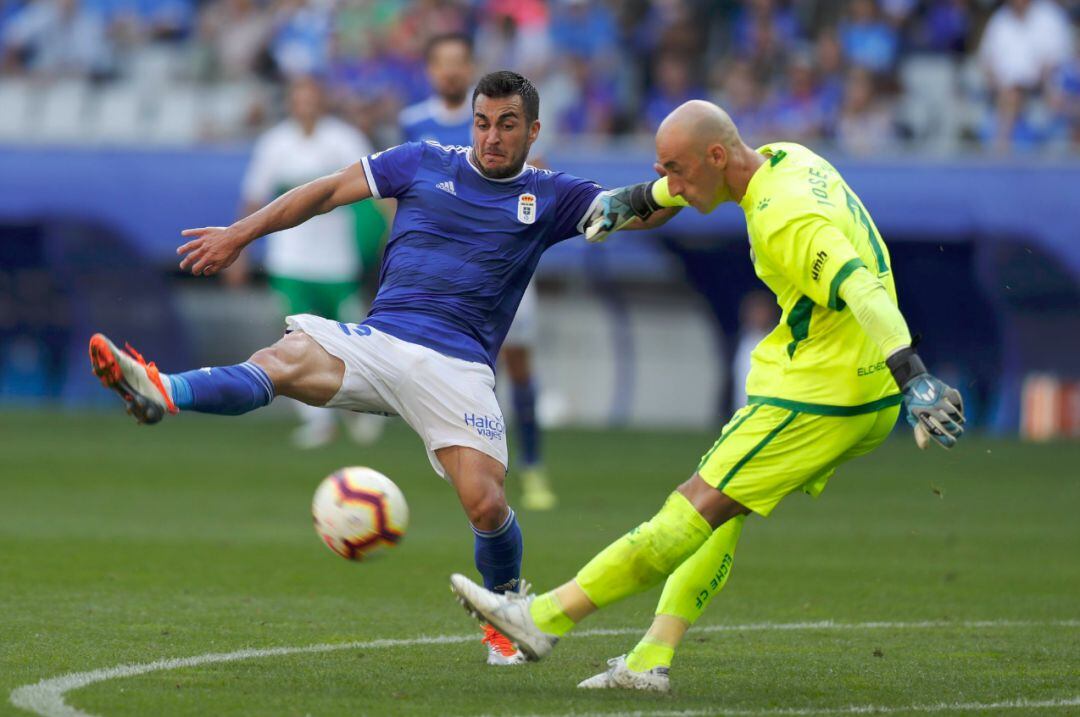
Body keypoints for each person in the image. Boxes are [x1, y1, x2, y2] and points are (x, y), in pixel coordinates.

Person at [87, 71, 679, 667]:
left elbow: (627, 211)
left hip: (458, 366)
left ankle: (507, 617)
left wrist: (666, 190)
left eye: (506, 125)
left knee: (486, 505)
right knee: (282, 359)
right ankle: (163, 389)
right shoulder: (420, 160)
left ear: (533, 130)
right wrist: (241, 233)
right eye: (482, 122)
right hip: (379, 339)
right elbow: (324, 192)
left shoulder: (552, 195)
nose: (491, 137)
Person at [449, 99, 965, 690]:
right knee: (718, 516)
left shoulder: (784, 216)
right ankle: (649, 660)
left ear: (716, 155)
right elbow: (689, 186)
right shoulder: (784, 159)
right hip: (845, 384)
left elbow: (865, 289)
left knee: (687, 511)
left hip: (824, 393)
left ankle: (540, 620)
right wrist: (637, 200)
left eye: (676, 168)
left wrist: (915, 376)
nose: (670, 182)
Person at [401, 33, 557, 511]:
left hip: (500, 266)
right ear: (430, 70)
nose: (450, 71)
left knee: (518, 365)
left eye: (458, 62)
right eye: (441, 63)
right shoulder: (413, 125)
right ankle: (470, 469)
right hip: (444, 272)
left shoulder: (504, 119)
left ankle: (531, 467)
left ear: (468, 67)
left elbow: (539, 177)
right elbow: (401, 193)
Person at [233, 75, 387, 449]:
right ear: (290, 102)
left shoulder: (343, 139)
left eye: (311, 97)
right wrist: (238, 249)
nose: (305, 105)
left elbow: (381, 184)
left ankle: (361, 408)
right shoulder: (275, 144)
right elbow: (253, 198)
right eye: (298, 98)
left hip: (336, 259)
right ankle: (318, 419)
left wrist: (394, 231)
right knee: (295, 337)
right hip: (291, 258)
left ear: (322, 101)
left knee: (354, 337)